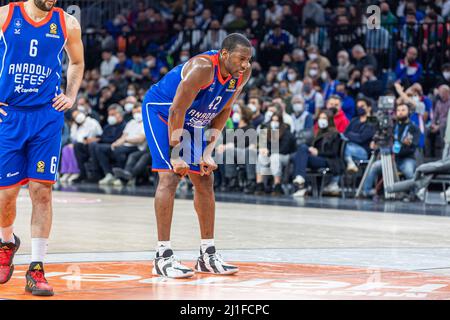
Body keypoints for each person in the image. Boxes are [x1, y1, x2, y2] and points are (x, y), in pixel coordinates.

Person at [142, 33, 251, 278]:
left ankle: (207, 254)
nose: (245, 64)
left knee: (204, 178)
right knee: (169, 177)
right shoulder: (203, 67)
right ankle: (162, 255)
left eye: (248, 60)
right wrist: (175, 153)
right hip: (163, 112)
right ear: (224, 54)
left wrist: (207, 151)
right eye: (241, 58)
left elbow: (224, 109)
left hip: (193, 117)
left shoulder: (243, 73)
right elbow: (176, 109)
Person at [0, 0, 84, 296]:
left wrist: (71, 95)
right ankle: (7, 242)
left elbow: (77, 62)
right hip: (9, 116)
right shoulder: (6, 15)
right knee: (5, 196)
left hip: (46, 117)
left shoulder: (68, 24)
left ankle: (36, 268)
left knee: (42, 191)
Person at [361, 103, 420, 197]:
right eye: (398, 110)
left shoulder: (414, 128)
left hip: (406, 158)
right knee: (375, 166)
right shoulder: (391, 126)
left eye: (403, 110)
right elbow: (382, 137)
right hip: (391, 157)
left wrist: (396, 151)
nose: (400, 113)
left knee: (409, 172)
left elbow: (412, 147)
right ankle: (367, 191)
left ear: (409, 112)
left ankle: (415, 193)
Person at [292, 110, 344, 197]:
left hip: (328, 160)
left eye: (324, 118)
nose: (321, 120)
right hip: (318, 158)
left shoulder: (335, 134)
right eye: (320, 118)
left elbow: (334, 152)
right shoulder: (318, 133)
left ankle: (301, 185)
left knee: (302, 150)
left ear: (329, 120)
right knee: (298, 155)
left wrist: (318, 152)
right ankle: (301, 183)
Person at [343, 98, 376, 173]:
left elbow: (361, 138)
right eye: (358, 107)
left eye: (362, 106)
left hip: (363, 150)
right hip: (350, 145)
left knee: (344, 148)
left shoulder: (373, 120)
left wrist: (350, 135)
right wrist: (352, 135)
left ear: (369, 107)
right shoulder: (354, 120)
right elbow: (345, 133)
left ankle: (350, 162)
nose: (360, 108)